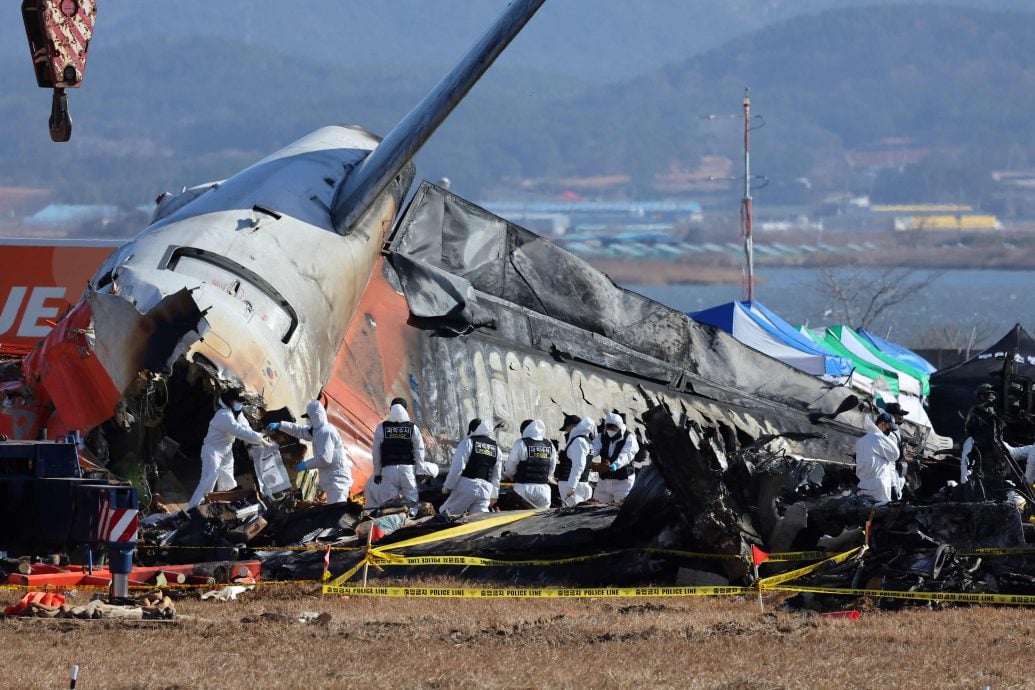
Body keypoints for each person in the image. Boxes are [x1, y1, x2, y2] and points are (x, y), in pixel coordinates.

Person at [187, 389, 275, 510]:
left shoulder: (237, 414)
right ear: (229, 401)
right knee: (209, 480)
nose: (240, 404)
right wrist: (259, 438)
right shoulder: (223, 415)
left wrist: (261, 435)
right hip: (213, 451)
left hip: (226, 451)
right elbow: (238, 431)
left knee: (228, 482)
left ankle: (224, 508)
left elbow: (246, 428)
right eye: (238, 402)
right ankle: (193, 509)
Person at [265, 400, 352, 504]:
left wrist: (303, 465)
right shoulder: (318, 431)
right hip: (332, 481)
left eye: (308, 418)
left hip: (337, 482)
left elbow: (324, 459)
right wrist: (280, 425)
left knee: (335, 512)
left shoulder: (326, 432)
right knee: (332, 511)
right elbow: (299, 431)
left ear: (315, 417)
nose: (308, 420)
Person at [369, 397, 426, 514]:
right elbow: (419, 451)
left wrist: (377, 472)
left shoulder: (382, 428)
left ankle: (392, 526)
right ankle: (411, 521)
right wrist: (420, 471)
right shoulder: (413, 428)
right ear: (406, 409)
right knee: (412, 502)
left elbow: (376, 453)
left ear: (390, 409)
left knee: (389, 504)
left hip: (388, 470)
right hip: (407, 470)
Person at [441, 418, 502, 516]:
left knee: (447, 514)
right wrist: (494, 495)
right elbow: (496, 475)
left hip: (467, 486)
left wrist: (448, 486)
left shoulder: (468, 442)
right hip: (486, 490)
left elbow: (457, 468)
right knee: (480, 519)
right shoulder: (496, 449)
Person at [503, 419, 556, 509]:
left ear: (524, 430)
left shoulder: (521, 443)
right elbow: (552, 467)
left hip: (523, 488)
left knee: (521, 519)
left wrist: (511, 476)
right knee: (543, 520)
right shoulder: (549, 444)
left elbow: (510, 467)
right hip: (543, 489)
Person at [592, 412, 639, 505]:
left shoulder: (629, 438)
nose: (610, 430)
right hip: (604, 481)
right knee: (595, 506)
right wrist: (588, 458)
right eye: (608, 427)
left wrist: (617, 464)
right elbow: (593, 449)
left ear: (619, 427)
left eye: (612, 427)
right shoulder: (601, 436)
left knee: (622, 508)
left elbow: (627, 454)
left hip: (623, 482)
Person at [854, 411, 901, 504]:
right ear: (882, 424)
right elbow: (895, 455)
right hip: (878, 484)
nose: (890, 431)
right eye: (889, 427)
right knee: (878, 513)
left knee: (864, 512)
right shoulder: (880, 438)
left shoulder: (861, 440)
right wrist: (888, 438)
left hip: (862, 484)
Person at [555, 416, 594, 507]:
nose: (566, 432)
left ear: (573, 426)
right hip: (583, 482)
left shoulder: (578, 441)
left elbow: (578, 465)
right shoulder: (587, 441)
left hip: (571, 484)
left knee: (570, 517)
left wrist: (572, 486)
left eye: (567, 428)